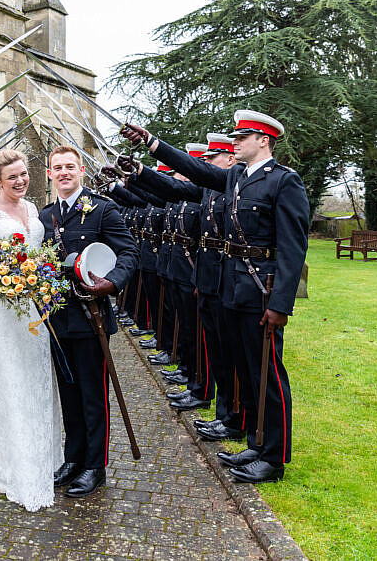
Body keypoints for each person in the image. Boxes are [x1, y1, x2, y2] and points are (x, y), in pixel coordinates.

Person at [121, 110, 309, 484]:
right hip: (230, 286)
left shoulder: (284, 182)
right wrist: (151, 143)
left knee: (265, 374)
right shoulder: (237, 177)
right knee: (240, 367)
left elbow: (293, 248)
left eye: (242, 137)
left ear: (264, 141)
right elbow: (196, 174)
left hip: (260, 289)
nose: (235, 142)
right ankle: (255, 441)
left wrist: (280, 304)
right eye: (235, 137)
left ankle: (273, 457)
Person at [0, 148, 64, 511]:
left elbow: (37, 251)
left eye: (24, 175)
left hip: (31, 305)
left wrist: (35, 276)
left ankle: (42, 450)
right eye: (12, 177)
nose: (20, 181)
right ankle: (3, 454)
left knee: (33, 373)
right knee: (6, 375)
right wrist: (4, 272)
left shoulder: (32, 209)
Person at [39, 146, 138, 498]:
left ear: (81, 170)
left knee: (93, 394)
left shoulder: (103, 209)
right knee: (68, 392)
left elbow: (128, 252)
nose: (63, 172)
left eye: (70, 166)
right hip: (55, 318)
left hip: (90, 317)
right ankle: (73, 458)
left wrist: (111, 283)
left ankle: (95, 466)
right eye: (57, 168)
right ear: (49, 174)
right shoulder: (44, 215)